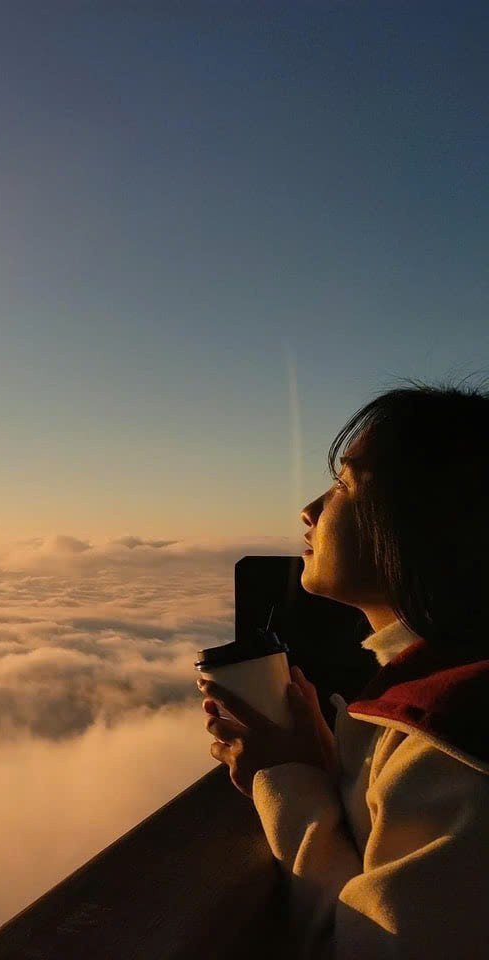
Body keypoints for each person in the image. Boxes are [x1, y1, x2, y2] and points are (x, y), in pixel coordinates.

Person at [197, 377, 489, 959]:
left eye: (343, 486)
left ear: (427, 517)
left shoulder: (456, 746)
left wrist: (286, 779)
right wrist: (338, 771)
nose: (309, 509)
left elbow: (358, 949)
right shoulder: (430, 699)